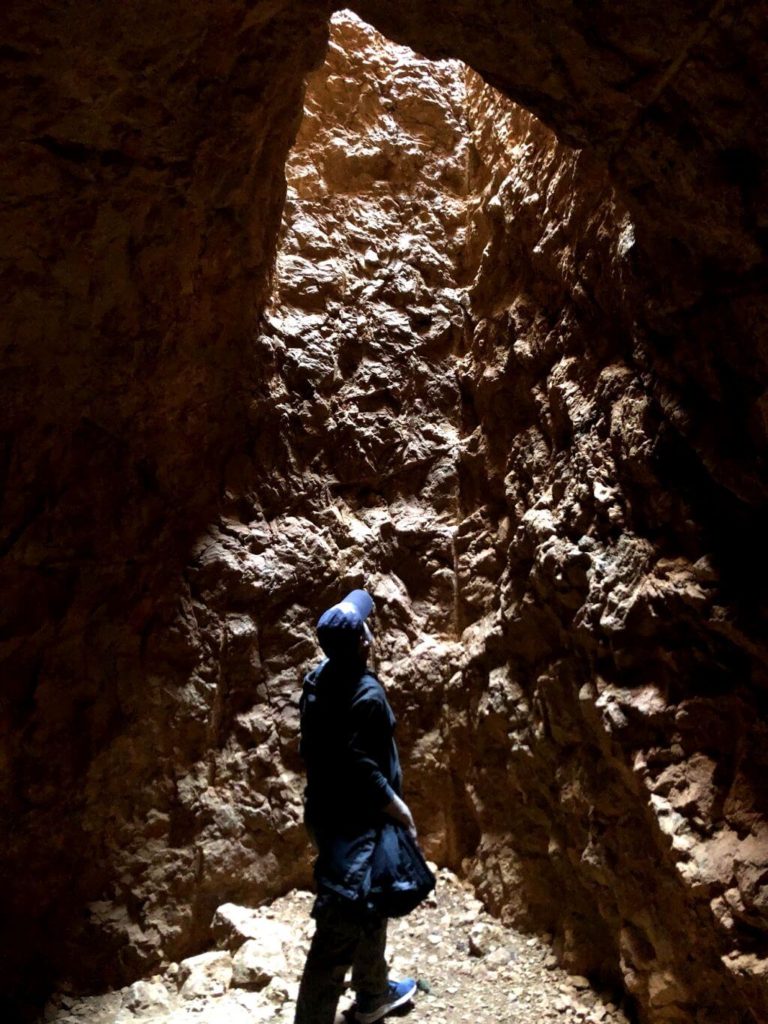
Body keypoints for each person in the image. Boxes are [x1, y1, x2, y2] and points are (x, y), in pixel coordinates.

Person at [294, 588, 421, 1024]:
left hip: (327, 815)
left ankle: (372, 993)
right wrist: (397, 808)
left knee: (373, 904)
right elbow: (358, 764)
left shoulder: (318, 680)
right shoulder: (364, 695)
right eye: (367, 628)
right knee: (336, 934)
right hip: (357, 831)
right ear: (364, 643)